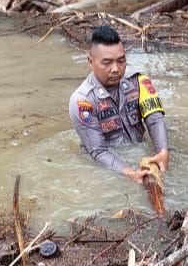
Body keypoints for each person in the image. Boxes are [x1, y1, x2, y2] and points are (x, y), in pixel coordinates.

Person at [68, 26, 169, 184]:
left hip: (139, 151)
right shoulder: (82, 101)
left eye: (121, 61)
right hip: (107, 171)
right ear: (91, 62)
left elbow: (155, 119)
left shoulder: (139, 82)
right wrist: (130, 173)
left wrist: (162, 151)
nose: (116, 69)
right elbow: (98, 152)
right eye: (107, 63)